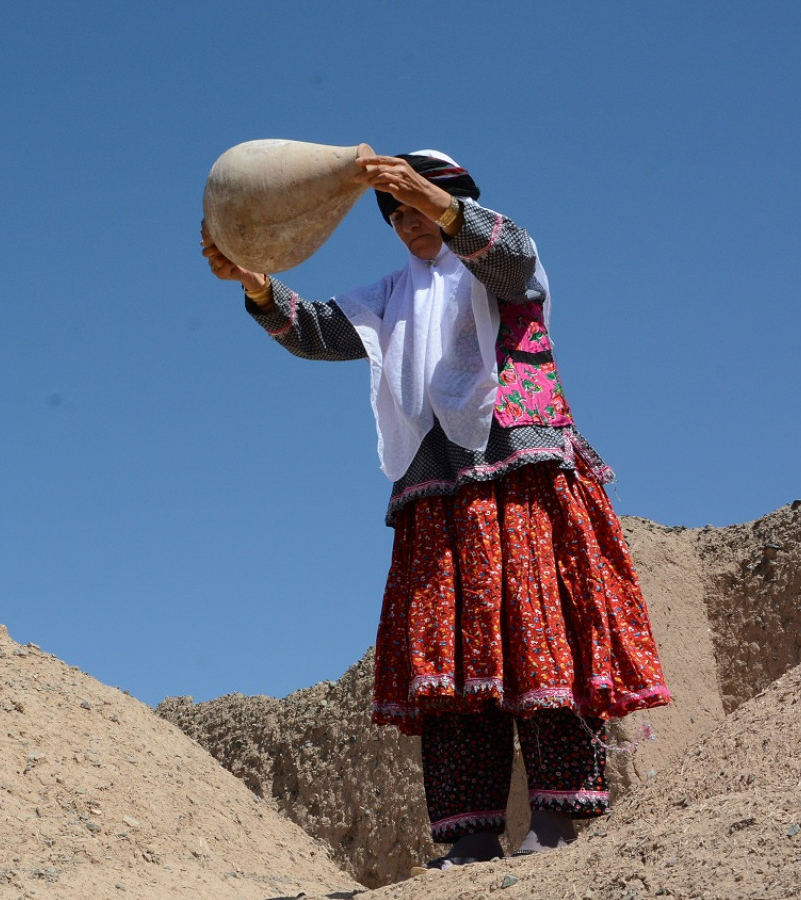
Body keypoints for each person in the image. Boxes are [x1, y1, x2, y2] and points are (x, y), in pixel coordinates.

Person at [201, 150, 671, 868]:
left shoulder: (501, 254)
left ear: (448, 200)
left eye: (416, 207)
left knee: (536, 630)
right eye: (394, 216)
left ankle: (557, 817)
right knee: (447, 656)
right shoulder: (394, 293)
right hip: (435, 491)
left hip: (516, 474)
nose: (407, 224)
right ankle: (472, 832)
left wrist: (440, 204)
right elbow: (322, 330)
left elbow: (512, 263)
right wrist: (257, 283)